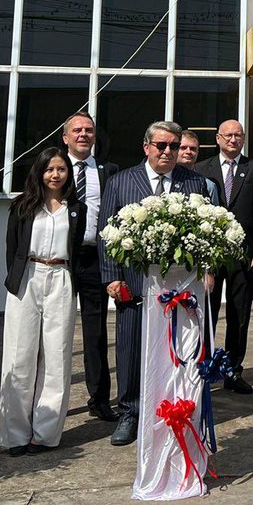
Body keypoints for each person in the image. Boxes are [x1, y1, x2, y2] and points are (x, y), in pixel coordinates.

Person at [98, 121, 208, 446]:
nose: (168, 152)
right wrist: (111, 277)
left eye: (174, 146)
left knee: (174, 352)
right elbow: (106, 234)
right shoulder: (121, 182)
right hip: (134, 286)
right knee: (130, 349)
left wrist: (205, 273)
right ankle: (130, 414)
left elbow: (204, 233)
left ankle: (175, 410)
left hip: (179, 289)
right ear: (146, 147)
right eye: (161, 145)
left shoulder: (195, 183)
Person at [0, 148, 84, 456]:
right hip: (28, 278)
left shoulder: (76, 208)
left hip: (60, 277)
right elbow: (12, 249)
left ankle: (45, 434)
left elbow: (77, 247)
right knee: (20, 355)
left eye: (61, 169)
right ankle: (15, 434)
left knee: (56, 356)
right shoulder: (22, 206)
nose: (55, 174)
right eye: (49, 169)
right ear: (39, 172)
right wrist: (18, 278)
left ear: (68, 174)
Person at [62, 112, 118, 423]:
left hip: (95, 259)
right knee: (55, 332)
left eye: (89, 130)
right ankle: (50, 403)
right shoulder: (54, 170)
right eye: (77, 130)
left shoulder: (108, 171)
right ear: (65, 137)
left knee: (95, 335)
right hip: (61, 260)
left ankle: (99, 399)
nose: (83, 134)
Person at [195, 119, 253, 394]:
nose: (233, 140)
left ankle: (234, 369)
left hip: (243, 256)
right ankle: (205, 369)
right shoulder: (201, 170)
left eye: (238, 135)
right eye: (228, 135)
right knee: (205, 313)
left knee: (240, 314)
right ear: (218, 139)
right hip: (211, 256)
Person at [179, 129, 219, 201]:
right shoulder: (165, 180)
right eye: (183, 148)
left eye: (193, 149)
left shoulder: (208, 185)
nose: (188, 152)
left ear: (198, 151)